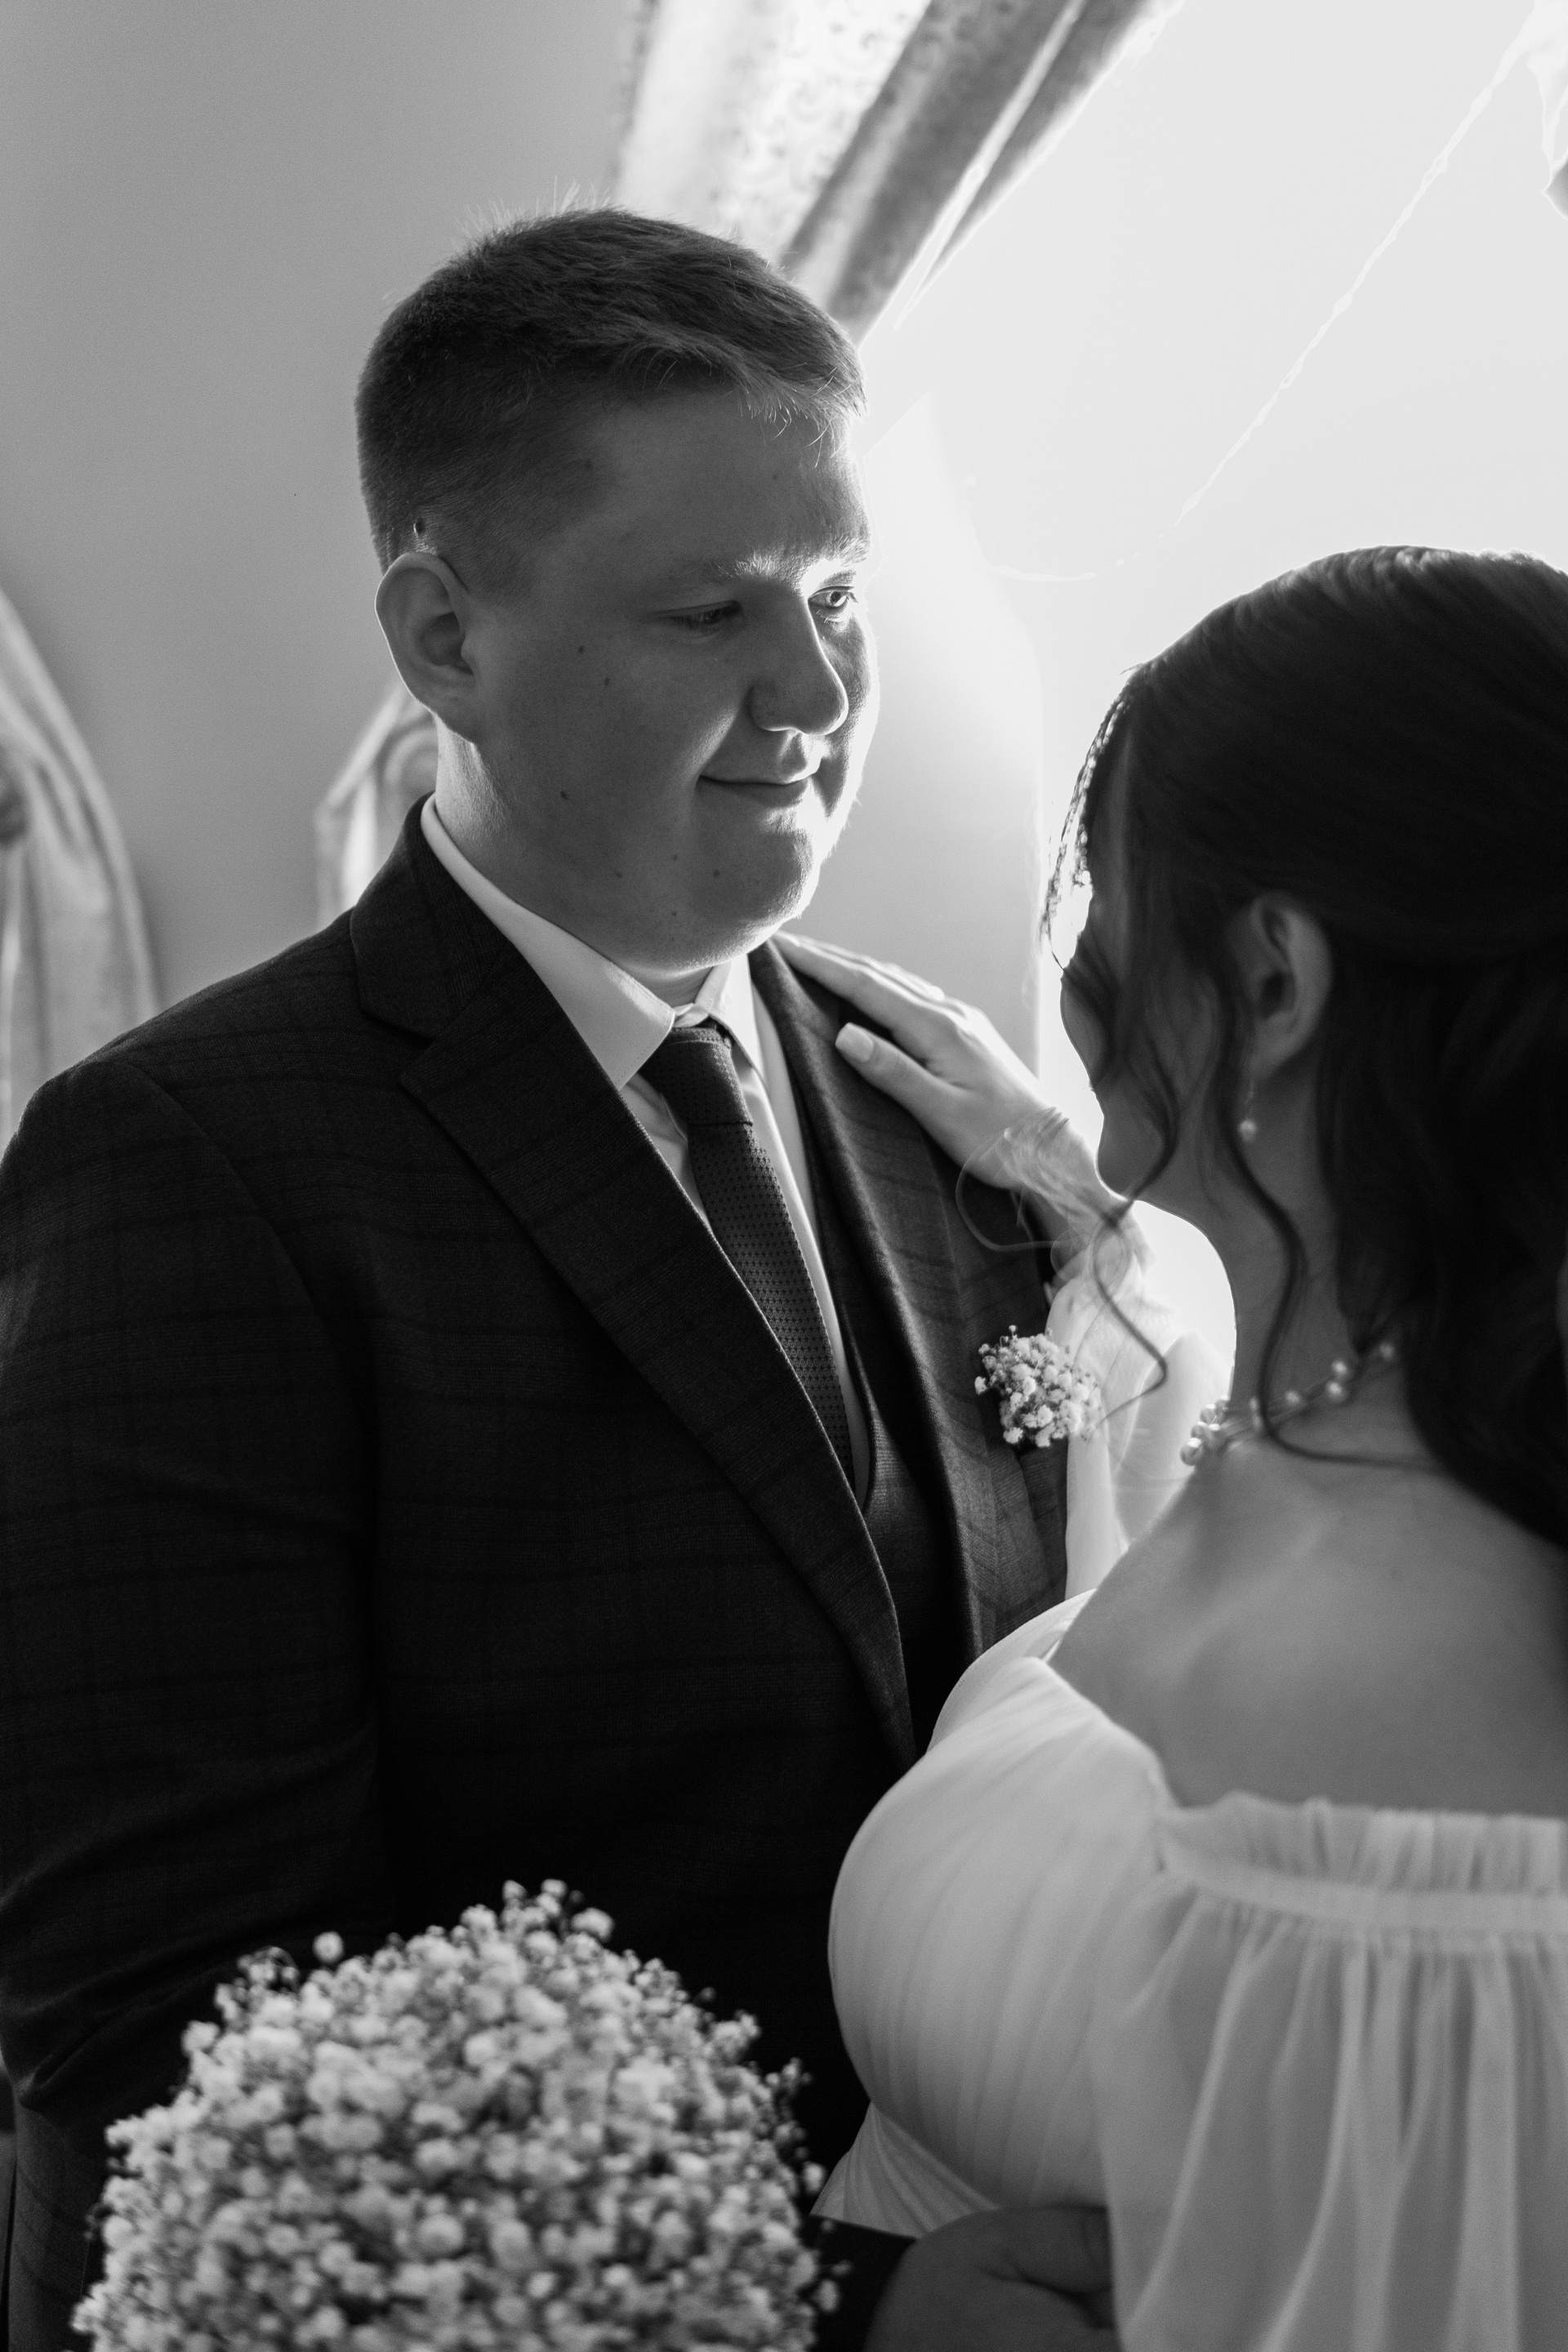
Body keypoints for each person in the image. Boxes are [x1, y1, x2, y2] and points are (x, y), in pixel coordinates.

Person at [0, 210, 1209, 2350]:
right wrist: (850, 2315)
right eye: (712, 611)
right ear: (444, 639)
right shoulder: (191, 1168)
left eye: (843, 604)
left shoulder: (950, 1115)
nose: (815, 697)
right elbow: (176, 2049)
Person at [789, 545, 1568, 2350]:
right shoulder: (1332, 1421)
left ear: (1274, 981)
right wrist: (1087, 1196)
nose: (1074, 980)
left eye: (1106, 899)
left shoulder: (1420, 1675)